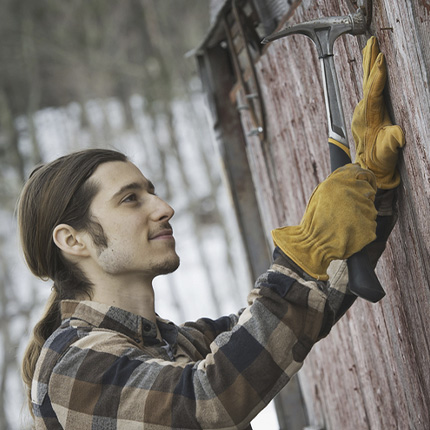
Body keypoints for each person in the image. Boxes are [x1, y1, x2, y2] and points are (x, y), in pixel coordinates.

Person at [19, 37, 404, 429]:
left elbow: (300, 309)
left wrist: (374, 184)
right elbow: (207, 402)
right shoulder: (74, 365)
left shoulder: (175, 346)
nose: (164, 207)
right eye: (131, 199)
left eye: (151, 190)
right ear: (72, 240)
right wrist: (305, 251)